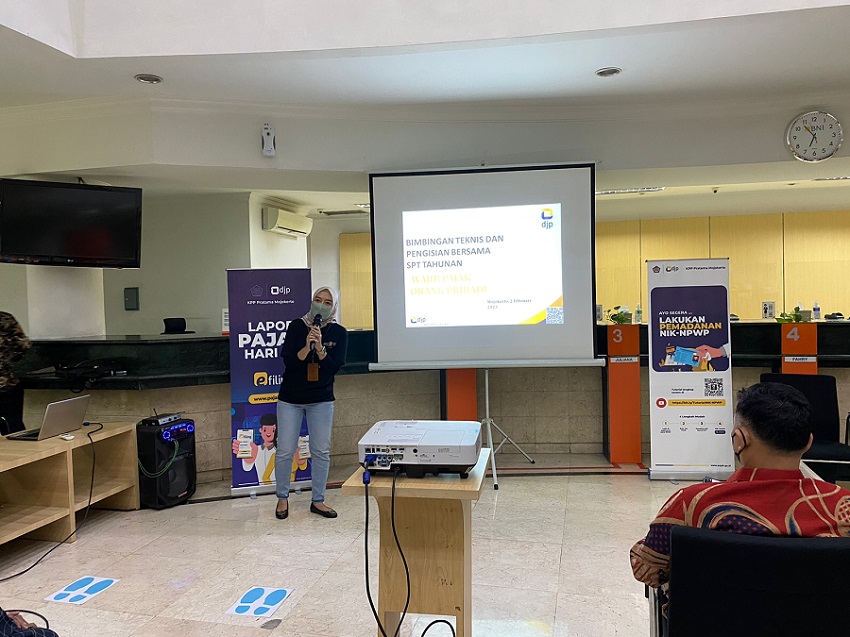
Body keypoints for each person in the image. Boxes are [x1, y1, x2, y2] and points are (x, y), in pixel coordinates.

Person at [631, 382, 850, 590]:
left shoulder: (691, 504)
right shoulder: (843, 506)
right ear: (808, 442)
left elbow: (646, 570)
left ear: (739, 440)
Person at [274, 287, 348, 520]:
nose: (321, 305)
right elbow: (289, 363)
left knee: (321, 451)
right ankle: (282, 498)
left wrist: (322, 348)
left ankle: (318, 501)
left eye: (327, 302)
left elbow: (334, 368)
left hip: (321, 400)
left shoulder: (339, 332)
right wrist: (307, 347)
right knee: (285, 450)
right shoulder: (297, 326)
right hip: (291, 399)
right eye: (318, 300)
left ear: (333, 307)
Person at [0, 311, 30, 436]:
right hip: (7, 383)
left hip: (6, 383)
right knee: (13, 429)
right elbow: (23, 346)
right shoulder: (5, 318)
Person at [232, 412, 278, 484]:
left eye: (273, 430)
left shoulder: (280, 450)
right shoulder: (255, 449)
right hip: (260, 488)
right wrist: (246, 456)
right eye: (265, 430)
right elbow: (247, 468)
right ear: (260, 430)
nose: (268, 433)